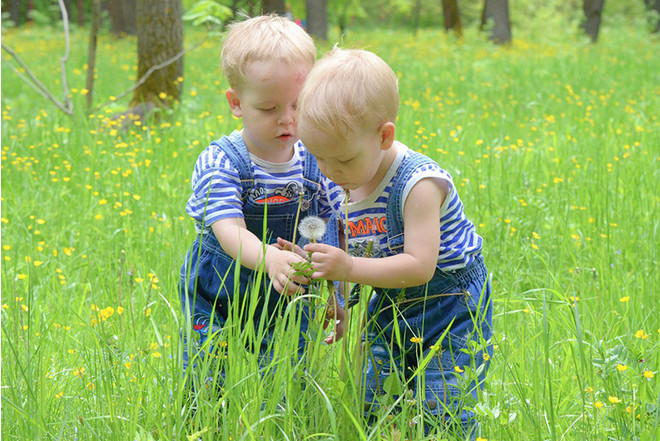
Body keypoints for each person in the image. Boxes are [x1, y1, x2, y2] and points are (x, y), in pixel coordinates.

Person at [294, 48, 493, 437]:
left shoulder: (418, 185)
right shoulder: (342, 178)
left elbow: (420, 266)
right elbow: (350, 244)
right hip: (388, 298)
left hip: (451, 305)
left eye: (344, 161)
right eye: (319, 158)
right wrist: (340, 294)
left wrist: (350, 268)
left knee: (443, 402)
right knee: (373, 396)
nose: (331, 173)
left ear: (384, 136)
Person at [179, 15, 344, 376]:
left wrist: (338, 291)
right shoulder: (221, 160)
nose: (287, 120)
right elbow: (229, 231)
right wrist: (268, 256)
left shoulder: (318, 161)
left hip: (291, 294)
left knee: (285, 378)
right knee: (210, 373)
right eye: (269, 109)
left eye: (298, 105)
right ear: (236, 103)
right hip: (220, 294)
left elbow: (337, 224)